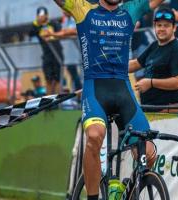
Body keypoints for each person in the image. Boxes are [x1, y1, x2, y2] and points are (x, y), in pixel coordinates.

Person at [52, 0, 164, 198]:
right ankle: (93, 196)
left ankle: (128, 187)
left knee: (149, 153)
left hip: (123, 90)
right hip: (95, 89)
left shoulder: (132, 9)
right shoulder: (83, 8)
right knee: (95, 137)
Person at [129, 7, 178, 108]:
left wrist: (151, 83)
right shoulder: (154, 45)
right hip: (149, 109)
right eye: (159, 25)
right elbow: (135, 64)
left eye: (166, 25)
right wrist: (109, 66)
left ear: (174, 28)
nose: (161, 29)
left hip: (166, 112)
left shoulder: (177, 50)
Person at [29, 6, 64, 95]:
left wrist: (48, 23)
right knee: (48, 78)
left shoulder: (53, 23)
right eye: (39, 15)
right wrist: (39, 23)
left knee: (57, 79)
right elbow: (31, 31)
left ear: (47, 15)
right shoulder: (36, 26)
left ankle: (57, 102)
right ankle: (49, 103)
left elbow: (59, 29)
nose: (41, 17)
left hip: (57, 53)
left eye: (43, 15)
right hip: (47, 54)